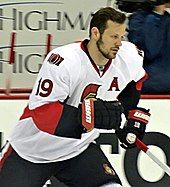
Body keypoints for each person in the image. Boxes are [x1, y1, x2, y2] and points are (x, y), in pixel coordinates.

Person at [0, 7, 150, 187]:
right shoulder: (64, 61)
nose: (119, 43)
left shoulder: (128, 57)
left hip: (78, 151)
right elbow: (41, 112)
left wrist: (130, 118)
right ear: (96, 33)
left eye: (121, 36)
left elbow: (135, 84)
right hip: (31, 152)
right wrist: (87, 117)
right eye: (113, 36)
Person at [127, 0, 170, 94]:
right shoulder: (139, 20)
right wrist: (157, 13)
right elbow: (149, 51)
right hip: (152, 87)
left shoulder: (165, 18)